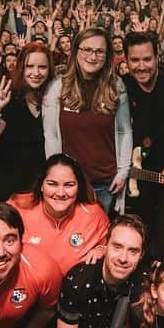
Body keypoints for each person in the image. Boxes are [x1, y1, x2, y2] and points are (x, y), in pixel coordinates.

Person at [43, 27, 133, 211]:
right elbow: (51, 135)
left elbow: (124, 131)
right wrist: (56, 174)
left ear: (107, 56)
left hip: (105, 182)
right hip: (69, 183)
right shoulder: (58, 87)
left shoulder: (116, 86)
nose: (93, 57)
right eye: (87, 50)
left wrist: (123, 171)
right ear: (76, 51)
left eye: (100, 51)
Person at [0, 41, 53, 202]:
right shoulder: (9, 100)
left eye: (42, 67)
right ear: (21, 68)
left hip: (35, 194)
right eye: (29, 66)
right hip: (4, 193)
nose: (36, 72)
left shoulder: (52, 102)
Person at [122, 31, 164, 235]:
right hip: (137, 178)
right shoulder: (121, 85)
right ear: (126, 60)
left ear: (158, 57)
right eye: (135, 60)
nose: (141, 66)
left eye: (147, 59)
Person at [9, 154, 110, 276]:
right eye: (52, 184)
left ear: (79, 187)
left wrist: (103, 250)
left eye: (69, 185)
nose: (60, 193)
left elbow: (113, 246)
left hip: (72, 292)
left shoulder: (93, 214)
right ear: (41, 185)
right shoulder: (18, 207)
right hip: (27, 289)